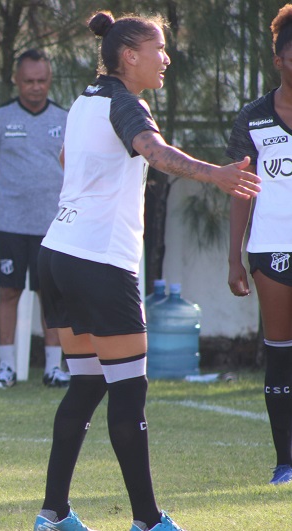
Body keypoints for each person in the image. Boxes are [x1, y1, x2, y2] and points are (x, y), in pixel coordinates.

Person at [33, 10, 260, 531]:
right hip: (100, 265)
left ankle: (54, 513)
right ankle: (148, 520)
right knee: (129, 392)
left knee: (87, 386)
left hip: (58, 255)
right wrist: (218, 174)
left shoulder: (84, 100)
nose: (166, 59)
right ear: (128, 55)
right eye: (158, 49)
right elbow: (154, 152)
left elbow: (72, 159)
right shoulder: (126, 103)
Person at [0, 49, 69, 389]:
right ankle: (6, 367)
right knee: (9, 292)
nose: (35, 87)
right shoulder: (0, 118)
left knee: (51, 295)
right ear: (16, 80)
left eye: (42, 81)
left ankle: (54, 369)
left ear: (50, 80)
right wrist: (1, 204)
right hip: (10, 223)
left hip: (53, 227)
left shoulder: (65, 118)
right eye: (28, 81)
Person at [227, 3, 292, 488]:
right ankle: (285, 461)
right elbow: (239, 191)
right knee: (280, 353)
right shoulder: (253, 116)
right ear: (278, 59)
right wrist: (234, 257)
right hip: (271, 249)